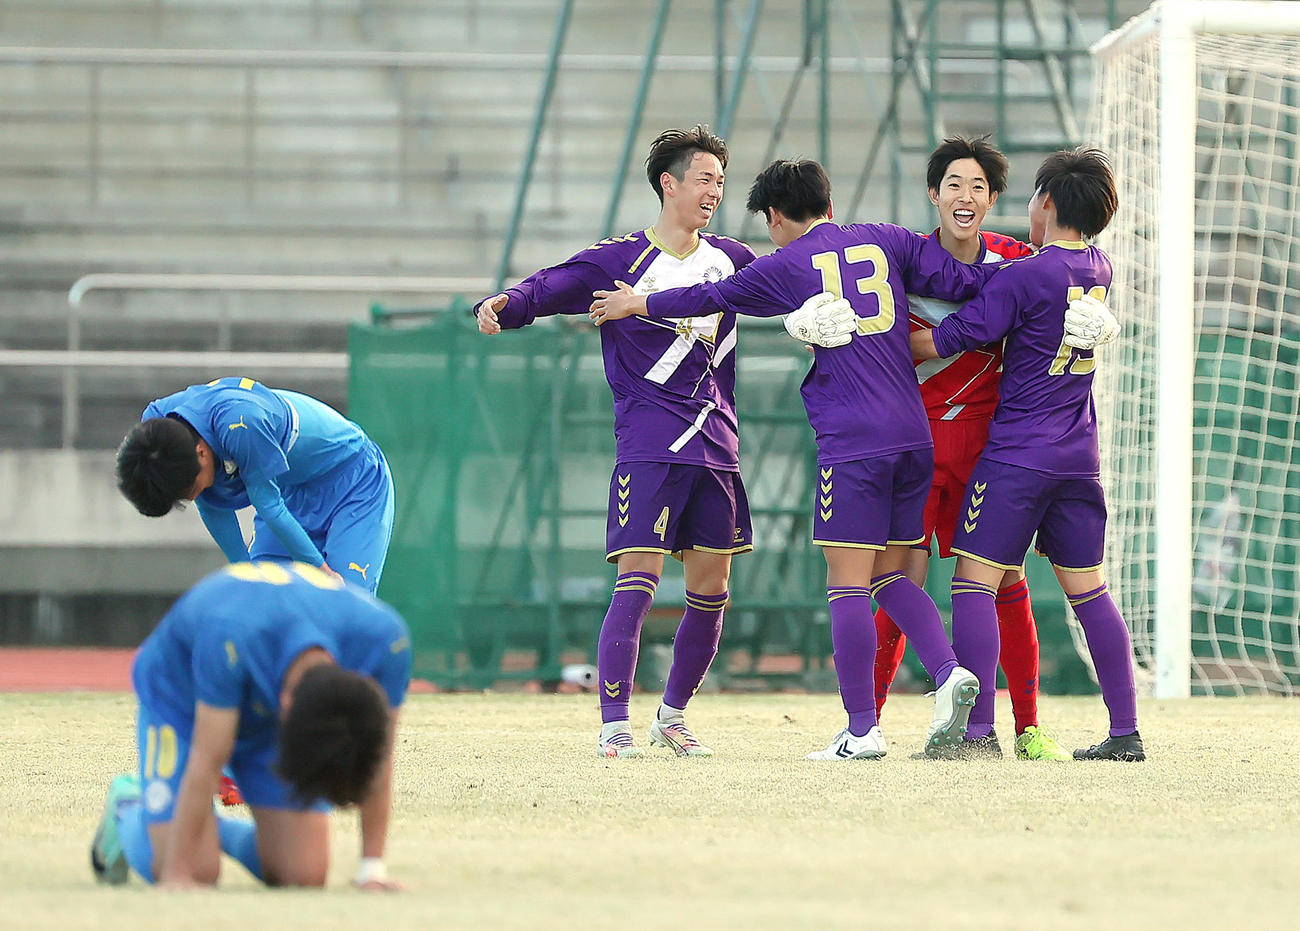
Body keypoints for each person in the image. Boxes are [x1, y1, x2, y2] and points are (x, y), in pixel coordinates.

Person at [590, 158, 1003, 760]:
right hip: (915, 434)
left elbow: (709, 295)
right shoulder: (887, 239)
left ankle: (862, 731)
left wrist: (639, 303)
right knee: (889, 572)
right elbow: (962, 278)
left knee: (847, 585)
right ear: (829, 205)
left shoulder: (783, 264)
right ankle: (947, 672)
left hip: (855, 439)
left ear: (776, 217)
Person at [474, 125, 756, 759]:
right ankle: (613, 725)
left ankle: (673, 716)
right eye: (704, 178)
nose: (714, 191)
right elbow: (551, 286)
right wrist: (504, 304)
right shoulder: (618, 258)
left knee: (712, 590)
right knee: (638, 580)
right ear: (670, 183)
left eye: (720, 181)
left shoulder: (734, 260)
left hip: (717, 441)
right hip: (651, 441)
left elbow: (784, 288)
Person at [911, 146, 1144, 761]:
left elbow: (953, 335)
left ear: (1045, 203)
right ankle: (1125, 731)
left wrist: (873, 349)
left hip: (1016, 454)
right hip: (1079, 455)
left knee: (972, 584)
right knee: (1090, 592)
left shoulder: (1026, 275)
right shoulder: (1100, 268)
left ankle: (981, 732)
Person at [873, 135, 1071, 762]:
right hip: (915, 446)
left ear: (993, 199)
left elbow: (1073, 275)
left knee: (1004, 584)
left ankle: (1027, 727)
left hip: (989, 453)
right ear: (934, 194)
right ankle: (867, 724)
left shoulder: (1018, 259)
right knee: (897, 580)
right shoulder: (897, 264)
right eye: (953, 184)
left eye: (978, 186)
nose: (965, 196)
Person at [89, 560, 412, 889]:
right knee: (197, 872)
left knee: (303, 876)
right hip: (181, 698)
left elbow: (379, 752)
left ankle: (213, 828)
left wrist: (372, 870)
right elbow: (208, 756)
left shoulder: (385, 640)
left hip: (264, 687)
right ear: (284, 711)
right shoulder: (231, 631)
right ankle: (129, 807)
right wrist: (176, 872)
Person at [116, 378, 395, 595]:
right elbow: (214, 507)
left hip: (353, 483)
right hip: (286, 489)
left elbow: (270, 508)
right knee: (268, 610)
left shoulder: (241, 423)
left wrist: (321, 571)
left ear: (201, 452)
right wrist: (247, 578)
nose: (194, 498)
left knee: (343, 608)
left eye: (191, 489)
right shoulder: (157, 432)